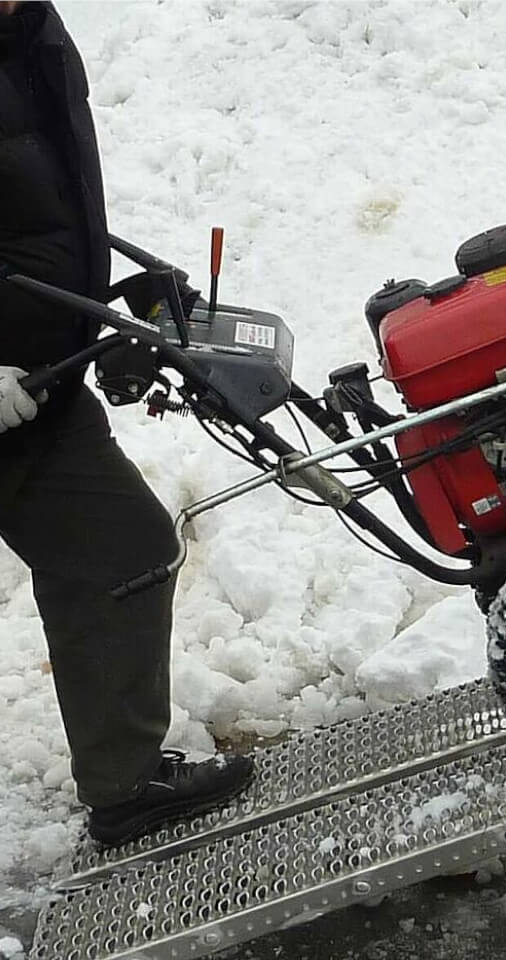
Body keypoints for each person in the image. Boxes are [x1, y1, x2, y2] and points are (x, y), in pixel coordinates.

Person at [0, 0, 252, 846]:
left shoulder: (33, 33)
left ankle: (125, 782)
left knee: (123, 554)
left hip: (38, 392)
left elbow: (43, 203)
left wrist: (125, 282)